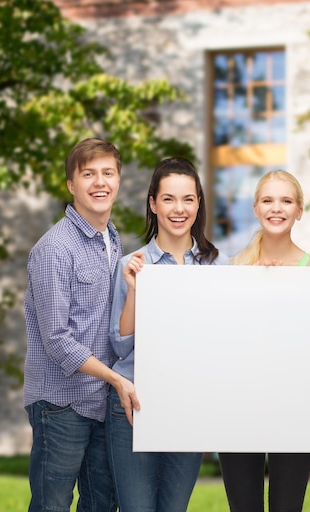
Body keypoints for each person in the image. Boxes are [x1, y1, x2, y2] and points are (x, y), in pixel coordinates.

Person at [107, 157, 230, 512]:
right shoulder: (131, 264)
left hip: (188, 409)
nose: (179, 209)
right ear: (153, 203)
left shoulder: (219, 267)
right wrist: (134, 289)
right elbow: (120, 346)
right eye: (169, 199)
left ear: (198, 204)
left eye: (188, 199)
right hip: (134, 407)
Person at [23, 138, 140, 512]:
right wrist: (118, 379)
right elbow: (57, 338)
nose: (100, 182)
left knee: (101, 505)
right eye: (88, 174)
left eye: (108, 173)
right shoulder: (54, 248)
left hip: (101, 402)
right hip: (60, 403)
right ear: (71, 185)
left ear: (119, 180)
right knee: (51, 506)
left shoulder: (112, 239)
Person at [218, 170, 310, 512]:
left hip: (297, 410)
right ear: (255, 208)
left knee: (287, 507)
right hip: (240, 409)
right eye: (267, 200)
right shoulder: (233, 270)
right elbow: (226, 347)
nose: (276, 208)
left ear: (299, 210)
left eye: (286, 200)